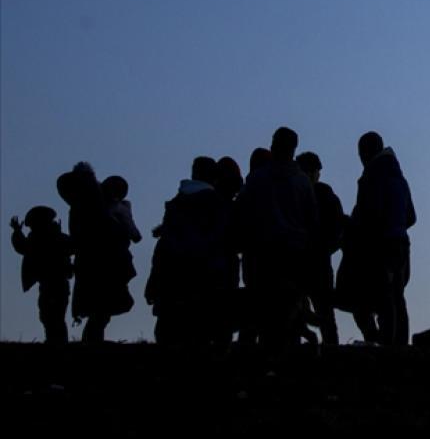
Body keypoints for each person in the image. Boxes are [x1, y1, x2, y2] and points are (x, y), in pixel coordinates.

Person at [234, 128, 319, 347]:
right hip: (293, 258)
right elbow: (312, 222)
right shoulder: (303, 183)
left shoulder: (257, 179)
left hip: (261, 257)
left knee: (257, 314)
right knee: (287, 318)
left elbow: (241, 214)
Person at [340, 131, 416, 346]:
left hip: (381, 245)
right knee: (397, 298)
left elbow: (370, 215)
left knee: (383, 299)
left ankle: (386, 347)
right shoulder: (399, 178)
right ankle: (399, 345)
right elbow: (411, 216)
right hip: (402, 243)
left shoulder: (371, 178)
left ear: (364, 152)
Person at [145, 157, 229, 345]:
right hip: (203, 277)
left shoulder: (177, 204)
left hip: (172, 277)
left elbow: (164, 247)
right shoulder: (215, 203)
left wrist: (154, 280)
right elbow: (218, 240)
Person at [57, 162, 136, 343]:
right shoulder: (91, 203)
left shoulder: (84, 203)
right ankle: (93, 340)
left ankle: (93, 339)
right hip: (102, 259)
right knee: (101, 307)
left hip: (95, 258)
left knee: (99, 307)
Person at [296, 151, 345, 345]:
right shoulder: (327, 196)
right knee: (324, 313)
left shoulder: (296, 195)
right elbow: (338, 231)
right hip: (319, 263)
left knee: (297, 312)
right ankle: (331, 353)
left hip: (300, 261)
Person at [10, 206, 73, 344]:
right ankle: (56, 342)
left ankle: (56, 343)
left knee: (51, 316)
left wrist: (17, 232)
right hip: (56, 284)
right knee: (51, 316)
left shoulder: (40, 240)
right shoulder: (58, 237)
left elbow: (22, 246)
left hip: (53, 284)